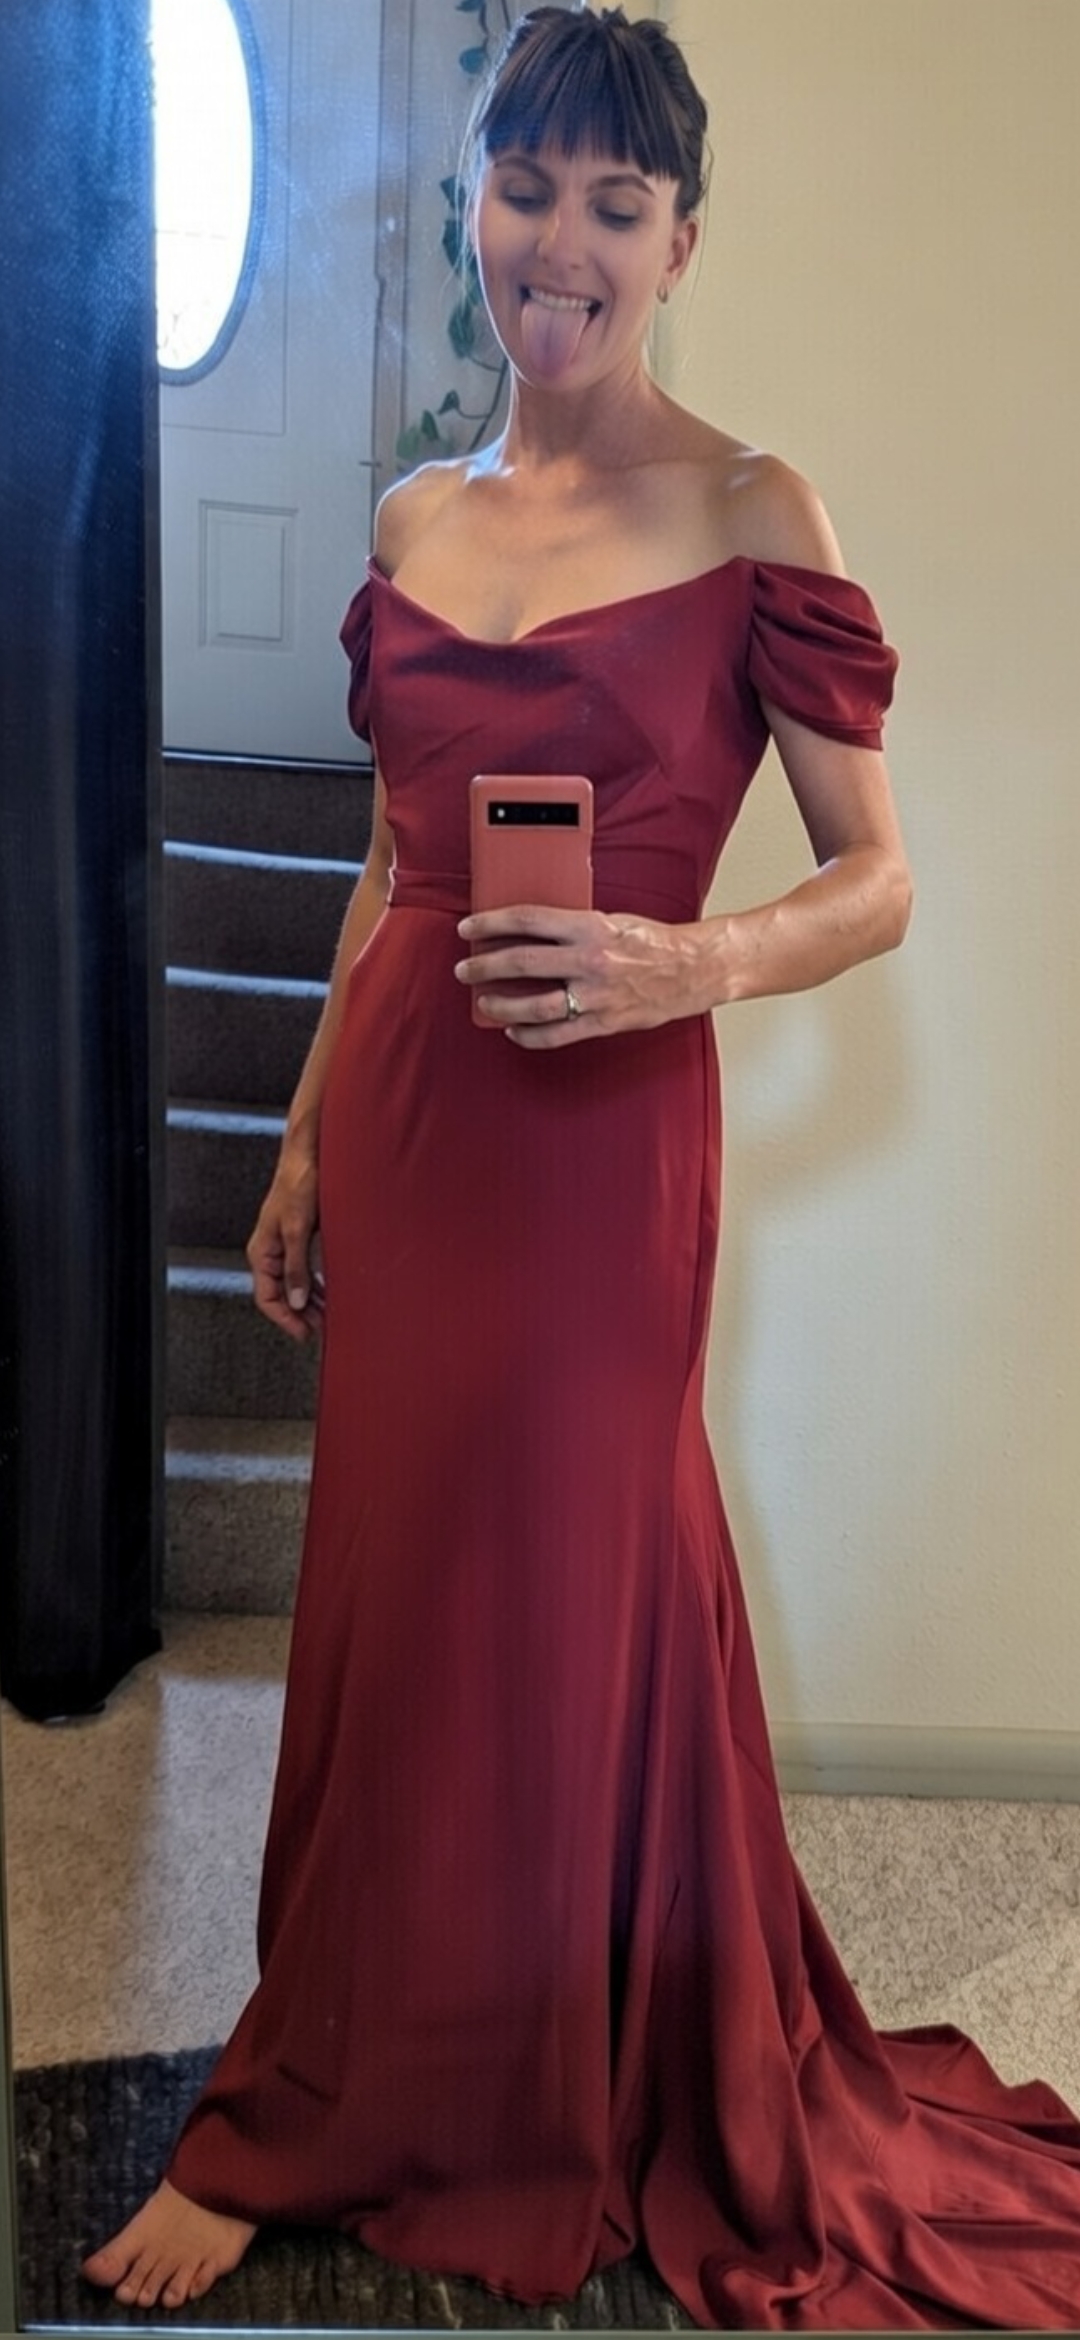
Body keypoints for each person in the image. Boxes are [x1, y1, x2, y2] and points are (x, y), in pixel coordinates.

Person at [84, 7, 1080, 2327]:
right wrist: (307, 1139)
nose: (561, 242)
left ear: (679, 243)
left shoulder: (755, 510)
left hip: (611, 1137)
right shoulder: (414, 519)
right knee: (391, 1590)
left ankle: (556, 2080)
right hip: (417, 1121)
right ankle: (338, 2078)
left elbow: (878, 880)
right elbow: (385, 865)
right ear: (475, 203)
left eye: (614, 206)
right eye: (525, 186)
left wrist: (686, 958)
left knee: (574, 1576)